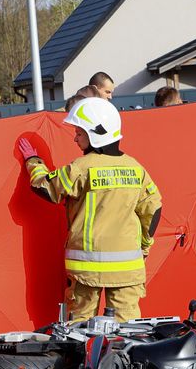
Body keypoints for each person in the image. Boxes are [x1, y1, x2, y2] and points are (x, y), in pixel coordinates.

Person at [16, 97, 162, 322]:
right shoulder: (136, 169)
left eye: (79, 132)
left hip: (86, 269)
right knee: (129, 332)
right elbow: (153, 210)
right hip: (128, 269)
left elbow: (44, 186)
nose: (75, 138)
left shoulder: (81, 168)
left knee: (80, 331)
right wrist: (144, 246)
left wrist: (33, 161)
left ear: (96, 133)